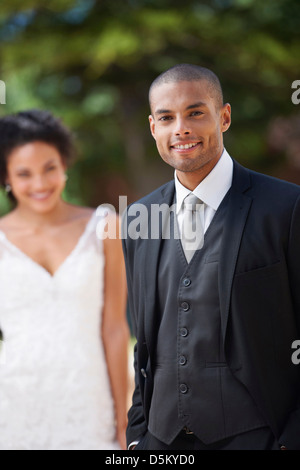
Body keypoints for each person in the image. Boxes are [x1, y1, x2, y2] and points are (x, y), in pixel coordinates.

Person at [122, 63, 300, 450]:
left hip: (259, 436)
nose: (181, 128)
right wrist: (137, 436)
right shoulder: (139, 217)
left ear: (224, 116)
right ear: (154, 128)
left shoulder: (286, 207)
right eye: (167, 118)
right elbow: (146, 342)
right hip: (161, 440)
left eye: (195, 112)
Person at [0, 109, 129, 450]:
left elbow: (114, 328)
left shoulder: (105, 227)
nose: (40, 184)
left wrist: (124, 416)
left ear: (65, 166)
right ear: (7, 178)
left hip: (91, 403)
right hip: (13, 404)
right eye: (24, 174)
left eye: (49, 168)